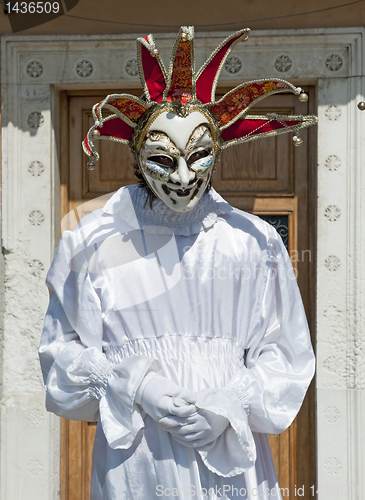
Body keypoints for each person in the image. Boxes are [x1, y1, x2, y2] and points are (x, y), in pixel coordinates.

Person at [39, 26, 316, 500]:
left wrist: (232, 401)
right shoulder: (91, 241)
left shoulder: (254, 243)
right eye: (165, 160)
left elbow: (286, 354)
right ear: (137, 155)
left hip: (228, 458)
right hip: (138, 460)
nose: (185, 176)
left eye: (200, 156)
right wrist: (134, 385)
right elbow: (59, 354)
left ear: (219, 151)